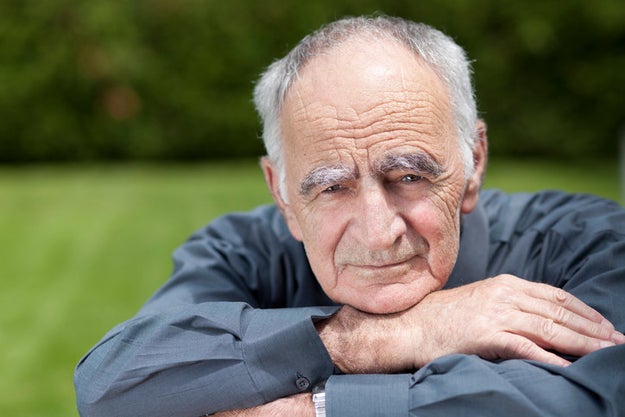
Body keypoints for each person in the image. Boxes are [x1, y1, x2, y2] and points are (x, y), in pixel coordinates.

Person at [74, 15, 625, 417]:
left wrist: (314, 408)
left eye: (408, 177)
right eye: (332, 188)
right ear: (283, 192)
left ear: (473, 161)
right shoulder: (239, 251)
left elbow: (596, 399)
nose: (378, 233)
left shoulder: (592, 243)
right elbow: (113, 385)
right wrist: (379, 338)